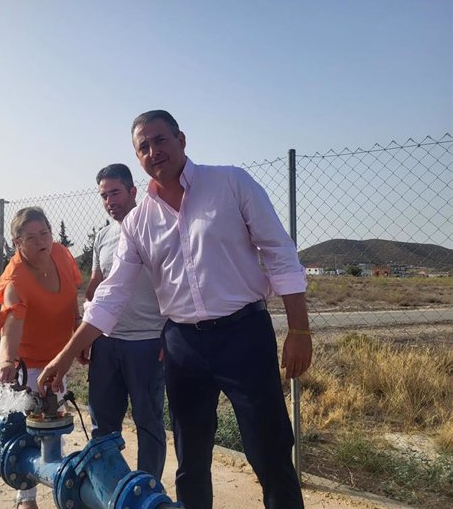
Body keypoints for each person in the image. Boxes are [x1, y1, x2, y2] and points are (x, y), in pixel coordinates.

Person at [38, 110, 312, 509]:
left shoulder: (230, 183)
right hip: (183, 344)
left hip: (244, 334)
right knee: (191, 459)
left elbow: (280, 253)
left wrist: (299, 330)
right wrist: (63, 359)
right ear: (137, 157)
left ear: (181, 139)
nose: (153, 151)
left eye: (160, 140)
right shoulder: (138, 222)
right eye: (143, 146)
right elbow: (111, 294)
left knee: (269, 451)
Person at [0, 206, 82, 509]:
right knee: (33, 427)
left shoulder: (62, 254)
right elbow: (10, 327)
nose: (41, 241)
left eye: (44, 232)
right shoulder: (15, 280)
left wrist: (78, 336)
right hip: (29, 364)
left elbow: (73, 300)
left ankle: (58, 483)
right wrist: (7, 361)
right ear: (17, 243)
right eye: (31, 237)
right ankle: (26, 498)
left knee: (55, 422)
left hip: (60, 357)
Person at [82, 163, 167, 479]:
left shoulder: (157, 227)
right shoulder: (103, 235)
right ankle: (109, 488)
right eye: (104, 196)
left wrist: (169, 335)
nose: (109, 201)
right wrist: (85, 335)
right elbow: (96, 287)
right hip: (106, 342)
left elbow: (174, 284)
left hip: (147, 342)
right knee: (103, 424)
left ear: (133, 191)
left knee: (149, 423)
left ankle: (148, 491)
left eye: (115, 193)